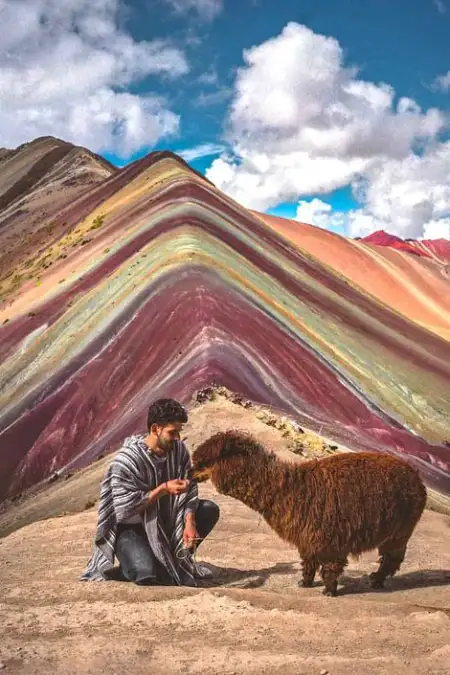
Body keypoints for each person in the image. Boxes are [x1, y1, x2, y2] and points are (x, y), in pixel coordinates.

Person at [80, 398, 220, 586]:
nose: (178, 438)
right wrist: (163, 489)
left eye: (179, 431)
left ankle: (171, 558)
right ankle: (133, 565)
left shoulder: (179, 451)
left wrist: (189, 521)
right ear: (155, 429)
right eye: (173, 432)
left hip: (167, 524)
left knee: (209, 509)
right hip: (132, 528)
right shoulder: (126, 461)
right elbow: (125, 509)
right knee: (145, 574)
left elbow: (190, 487)